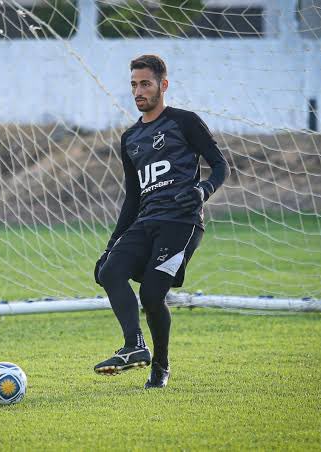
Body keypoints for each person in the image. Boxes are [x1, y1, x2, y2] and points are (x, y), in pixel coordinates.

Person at [93, 54, 230, 389]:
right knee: (109, 271)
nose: (138, 91)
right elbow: (133, 198)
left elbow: (220, 165)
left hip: (182, 222)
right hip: (145, 220)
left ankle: (160, 368)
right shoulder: (130, 139)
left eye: (145, 84)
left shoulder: (185, 122)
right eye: (134, 85)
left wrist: (203, 190)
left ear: (162, 85)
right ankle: (134, 347)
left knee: (152, 296)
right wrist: (111, 245)